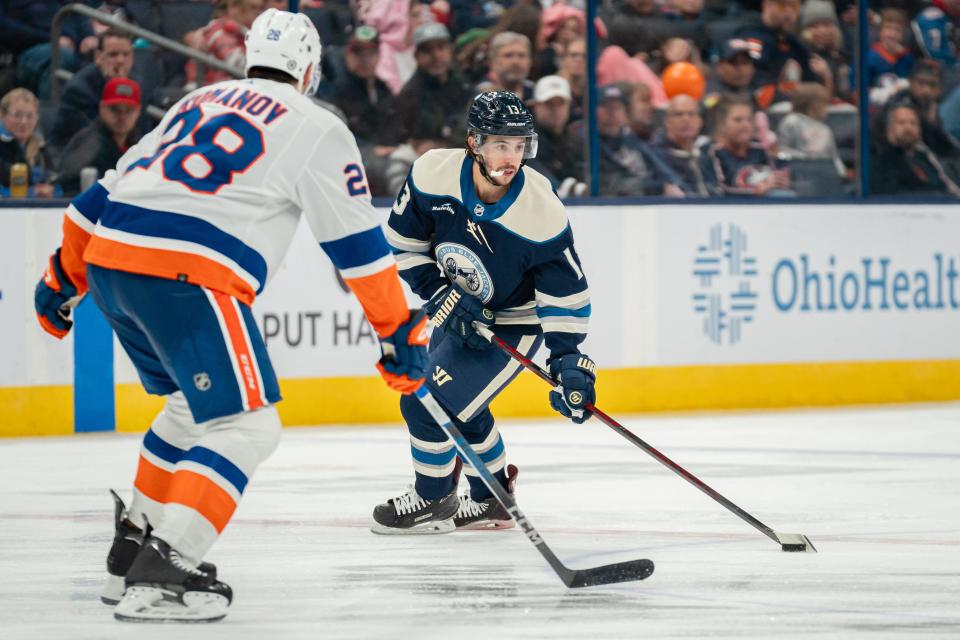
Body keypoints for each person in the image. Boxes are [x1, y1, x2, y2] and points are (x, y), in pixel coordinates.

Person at [33, 9, 427, 623]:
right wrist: (400, 332)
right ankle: (165, 569)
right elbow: (359, 251)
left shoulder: (199, 99)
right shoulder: (316, 124)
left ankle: (133, 549)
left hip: (112, 262)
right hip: (188, 273)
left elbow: (99, 197)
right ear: (309, 70)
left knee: (192, 410)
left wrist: (63, 276)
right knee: (248, 427)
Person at [373, 91, 596, 534]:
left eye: (519, 146)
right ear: (474, 142)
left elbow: (564, 291)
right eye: (500, 144)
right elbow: (406, 244)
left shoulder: (541, 209)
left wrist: (568, 361)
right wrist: (438, 294)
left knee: (426, 399)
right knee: (464, 408)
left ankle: (433, 500)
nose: (512, 157)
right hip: (458, 308)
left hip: (517, 323)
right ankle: (491, 499)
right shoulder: (432, 173)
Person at [378, 22, 473, 147]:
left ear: (450, 50)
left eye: (441, 47)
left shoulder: (462, 82)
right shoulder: (410, 94)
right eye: (427, 50)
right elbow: (394, 139)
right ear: (417, 56)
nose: (436, 56)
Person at [50, 29, 135, 150]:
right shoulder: (79, 90)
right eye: (113, 54)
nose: (120, 61)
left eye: (126, 54)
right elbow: (98, 136)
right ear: (98, 57)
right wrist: (115, 87)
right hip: (78, 157)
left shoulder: (137, 84)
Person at [57, 78, 143, 196]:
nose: (122, 116)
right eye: (115, 109)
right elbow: (67, 188)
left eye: (129, 110)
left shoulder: (142, 145)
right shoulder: (88, 144)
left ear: (138, 111)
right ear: (102, 108)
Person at [700, 94, 793, 197]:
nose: (745, 125)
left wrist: (780, 176)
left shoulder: (759, 149)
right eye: (738, 120)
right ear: (721, 123)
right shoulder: (711, 152)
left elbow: (778, 177)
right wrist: (755, 192)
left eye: (749, 120)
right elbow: (717, 191)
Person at [871, 104, 960, 196]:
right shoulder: (881, 160)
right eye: (901, 123)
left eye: (913, 123)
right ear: (889, 129)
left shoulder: (924, 157)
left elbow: (942, 186)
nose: (908, 127)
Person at [0, 87, 56, 197]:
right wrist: (31, 193)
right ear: (2, 115)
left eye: (30, 116)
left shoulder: (40, 147)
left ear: (37, 118)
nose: (24, 122)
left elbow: (55, 184)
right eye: (17, 115)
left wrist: (49, 191)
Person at [650, 94, 708, 196]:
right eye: (678, 114)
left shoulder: (708, 151)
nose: (686, 119)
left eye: (691, 114)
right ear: (667, 121)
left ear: (700, 121)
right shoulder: (655, 155)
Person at [474, 31, 535, 102]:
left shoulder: (535, 92)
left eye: (521, 56)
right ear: (492, 61)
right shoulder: (478, 95)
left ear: (530, 61)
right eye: (508, 55)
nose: (516, 61)